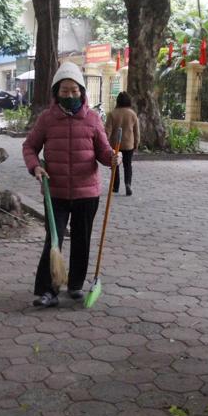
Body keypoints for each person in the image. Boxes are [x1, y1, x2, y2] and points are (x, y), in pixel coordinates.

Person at [23, 61, 118, 307]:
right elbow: (30, 146)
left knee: (81, 239)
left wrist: (112, 158)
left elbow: (103, 151)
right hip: (55, 191)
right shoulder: (47, 119)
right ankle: (48, 290)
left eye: (74, 90)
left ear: (82, 92)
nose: (70, 95)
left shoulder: (93, 119)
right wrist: (36, 166)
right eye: (64, 91)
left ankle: (75, 284)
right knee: (53, 240)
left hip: (87, 193)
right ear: (56, 93)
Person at [105, 91, 140, 196]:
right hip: (129, 144)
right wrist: (136, 143)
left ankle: (115, 186)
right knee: (128, 165)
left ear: (118, 101)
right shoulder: (133, 114)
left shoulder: (112, 114)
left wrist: (105, 143)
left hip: (115, 145)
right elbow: (136, 131)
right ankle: (128, 184)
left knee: (115, 165)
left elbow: (107, 131)